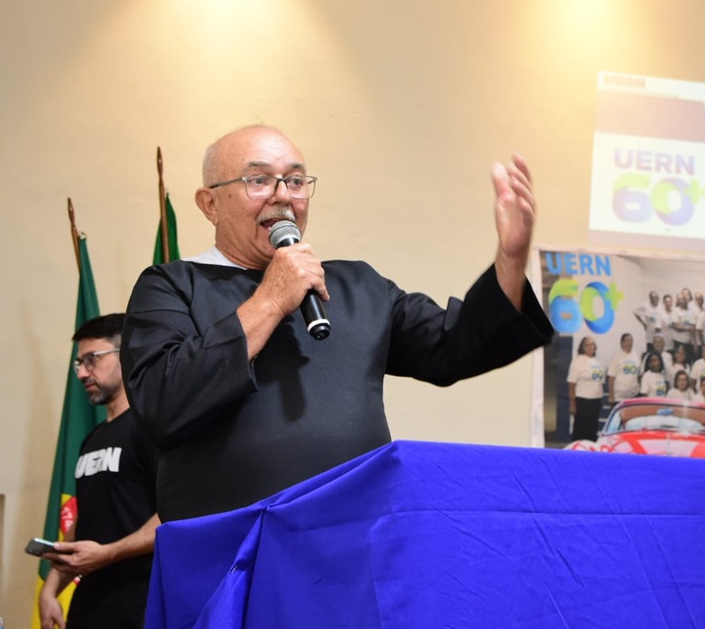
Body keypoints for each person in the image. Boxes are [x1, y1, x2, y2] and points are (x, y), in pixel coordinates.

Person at [121, 126, 553, 521]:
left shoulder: (358, 286)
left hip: (354, 543)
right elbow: (162, 403)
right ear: (210, 204)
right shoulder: (171, 286)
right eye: (259, 180)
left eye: (295, 180)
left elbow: (454, 346)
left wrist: (510, 258)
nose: (283, 195)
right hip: (231, 551)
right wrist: (271, 299)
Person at [39, 314, 160, 629]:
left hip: (140, 601)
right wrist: (50, 589)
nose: (82, 372)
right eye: (79, 363)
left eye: (92, 359)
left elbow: (173, 514)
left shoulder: (152, 430)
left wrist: (107, 554)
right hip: (89, 604)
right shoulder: (91, 440)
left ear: (125, 356)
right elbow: (87, 517)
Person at [567, 337, 605, 441]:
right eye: (587, 345)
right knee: (581, 429)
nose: (590, 347)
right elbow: (572, 383)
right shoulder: (578, 361)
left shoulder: (596, 362)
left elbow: (599, 382)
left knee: (592, 428)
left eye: (592, 344)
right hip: (582, 401)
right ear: (582, 347)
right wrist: (572, 404)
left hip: (595, 401)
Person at [607, 332, 642, 402]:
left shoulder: (636, 356)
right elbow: (611, 378)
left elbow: (639, 376)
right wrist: (611, 396)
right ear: (622, 343)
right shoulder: (616, 357)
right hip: (619, 397)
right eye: (627, 340)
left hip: (633, 396)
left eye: (631, 341)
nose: (630, 343)